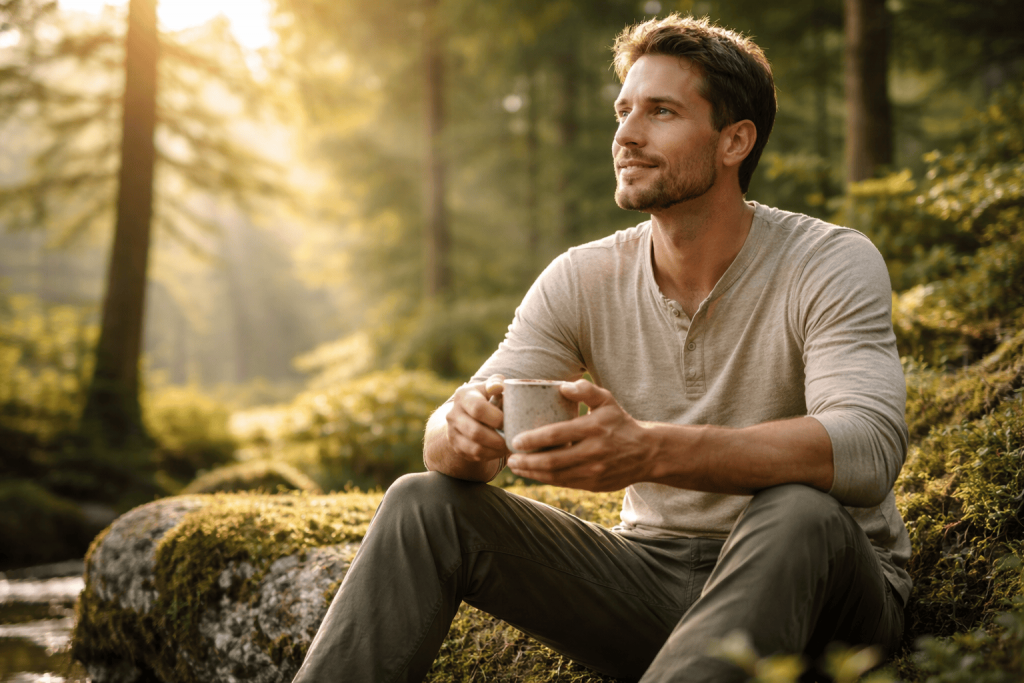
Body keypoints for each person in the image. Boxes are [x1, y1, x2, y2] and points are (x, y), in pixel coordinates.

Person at [292, 13, 910, 683]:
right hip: (652, 579)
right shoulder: (583, 276)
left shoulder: (827, 260)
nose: (625, 135)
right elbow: (453, 434)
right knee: (423, 504)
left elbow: (868, 446)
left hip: (821, 586)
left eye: (662, 112)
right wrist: (459, 429)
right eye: (623, 111)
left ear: (735, 141)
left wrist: (651, 448)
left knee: (797, 508)